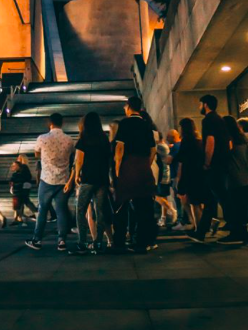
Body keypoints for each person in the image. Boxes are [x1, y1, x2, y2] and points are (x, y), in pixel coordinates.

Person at [113, 97, 157, 253]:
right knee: (144, 206)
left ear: (128, 107)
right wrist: (147, 163)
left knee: (122, 204)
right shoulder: (146, 125)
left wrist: (118, 170)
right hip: (144, 167)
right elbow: (153, 149)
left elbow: (120, 148)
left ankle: (119, 240)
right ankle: (144, 241)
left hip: (128, 167)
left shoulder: (125, 123)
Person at [25, 112, 74, 252]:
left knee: (42, 210)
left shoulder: (42, 138)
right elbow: (72, 155)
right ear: (62, 123)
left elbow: (36, 154)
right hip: (63, 180)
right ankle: (62, 241)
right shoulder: (69, 140)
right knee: (61, 211)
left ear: (50, 123)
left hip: (46, 179)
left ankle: (37, 239)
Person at [68, 112, 112, 255]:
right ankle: (98, 241)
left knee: (81, 210)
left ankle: (82, 242)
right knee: (99, 211)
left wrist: (76, 176)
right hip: (102, 179)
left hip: (87, 179)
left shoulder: (83, 140)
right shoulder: (104, 139)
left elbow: (79, 160)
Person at [189, 94, 231, 244]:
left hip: (214, 165)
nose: (199, 107)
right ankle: (201, 232)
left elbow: (210, 141)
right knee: (212, 199)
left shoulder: (209, 120)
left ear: (205, 104)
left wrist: (207, 162)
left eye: (200, 104)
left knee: (221, 197)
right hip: (222, 163)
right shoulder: (219, 119)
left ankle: (237, 228)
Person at [220, 116, 248, 245]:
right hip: (244, 176)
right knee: (242, 207)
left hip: (234, 177)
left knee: (235, 206)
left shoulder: (230, 140)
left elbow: (225, 157)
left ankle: (236, 233)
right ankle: (243, 233)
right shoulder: (243, 139)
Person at [173, 118, 206, 231]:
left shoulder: (186, 141)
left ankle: (199, 229)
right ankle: (206, 225)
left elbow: (181, 160)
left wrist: (179, 178)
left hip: (189, 174)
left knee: (194, 203)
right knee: (198, 202)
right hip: (200, 174)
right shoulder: (199, 140)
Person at [155, 132, 178, 227]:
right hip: (165, 174)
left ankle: (172, 210)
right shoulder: (163, 145)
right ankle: (163, 218)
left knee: (156, 196)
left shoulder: (160, 146)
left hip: (162, 175)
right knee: (162, 196)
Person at [17, 154, 38, 218]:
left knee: (25, 200)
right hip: (26, 186)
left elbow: (24, 177)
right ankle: (20, 216)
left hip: (24, 186)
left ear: (21, 159)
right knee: (24, 200)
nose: (17, 159)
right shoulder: (24, 167)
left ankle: (36, 212)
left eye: (18, 158)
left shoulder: (23, 167)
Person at [9, 160, 29, 225]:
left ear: (18, 166)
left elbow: (12, 182)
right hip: (20, 192)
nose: (12, 167)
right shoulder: (22, 174)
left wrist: (12, 187)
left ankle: (18, 219)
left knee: (17, 206)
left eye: (14, 166)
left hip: (17, 192)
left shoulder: (15, 175)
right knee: (19, 206)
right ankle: (19, 218)